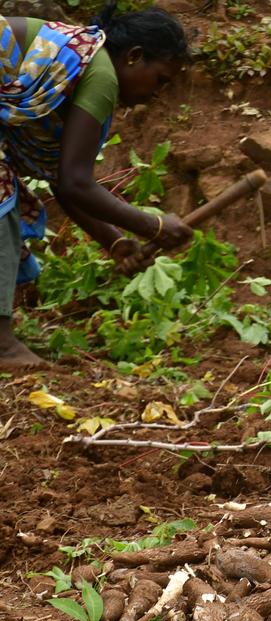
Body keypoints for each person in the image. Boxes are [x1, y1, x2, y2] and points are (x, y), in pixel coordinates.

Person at [0, 2, 193, 369]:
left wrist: (115, 242)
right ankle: (2, 346)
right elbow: (75, 182)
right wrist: (153, 225)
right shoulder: (100, 74)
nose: (158, 94)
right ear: (134, 56)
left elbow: (61, 179)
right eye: (161, 79)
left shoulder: (81, 64)